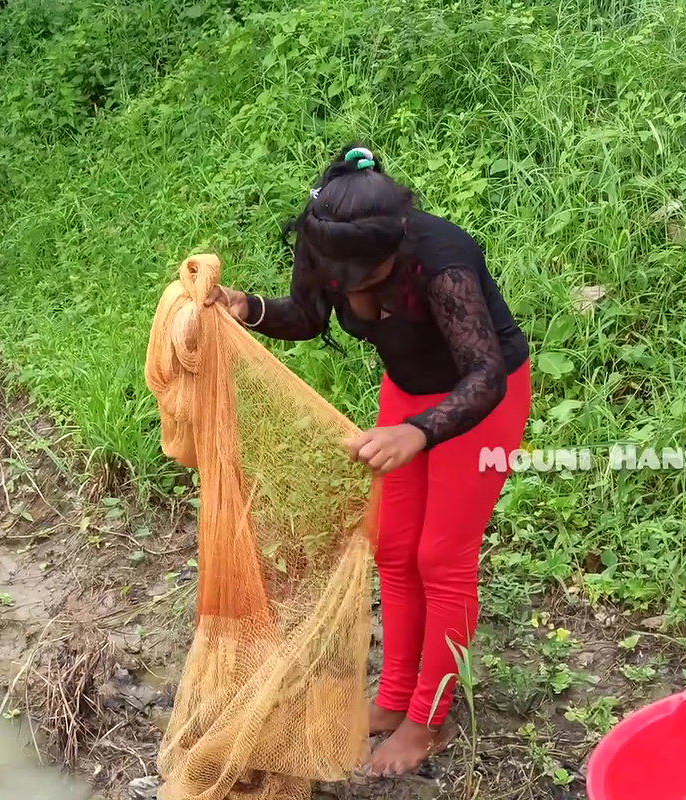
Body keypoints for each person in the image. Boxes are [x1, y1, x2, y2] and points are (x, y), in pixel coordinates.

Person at [205, 144, 531, 776]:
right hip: (406, 395)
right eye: (339, 276)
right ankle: (394, 697)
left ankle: (428, 721)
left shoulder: (442, 259)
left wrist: (418, 433)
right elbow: (306, 316)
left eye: (364, 275)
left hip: (480, 402)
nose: (349, 287)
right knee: (395, 548)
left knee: (442, 556)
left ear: (396, 244)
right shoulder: (327, 243)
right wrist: (249, 308)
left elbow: (486, 374)